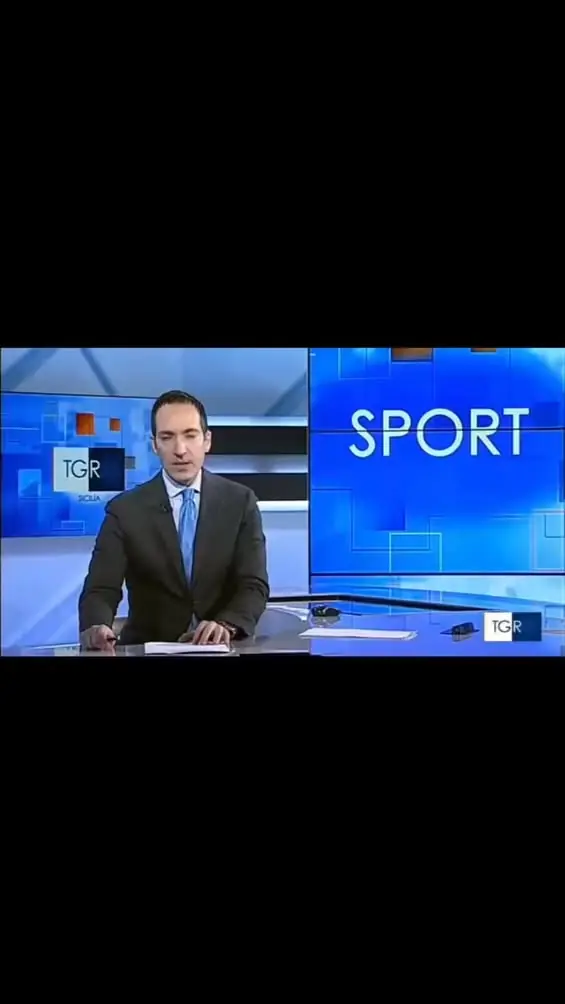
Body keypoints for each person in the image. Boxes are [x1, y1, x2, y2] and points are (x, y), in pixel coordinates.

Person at [78, 390, 270, 650]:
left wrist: (226, 624)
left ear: (207, 440)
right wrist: (97, 625)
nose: (180, 450)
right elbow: (101, 588)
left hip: (223, 648)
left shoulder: (240, 502)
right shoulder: (124, 510)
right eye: (167, 437)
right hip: (149, 649)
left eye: (190, 435)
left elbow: (253, 584)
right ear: (154, 445)